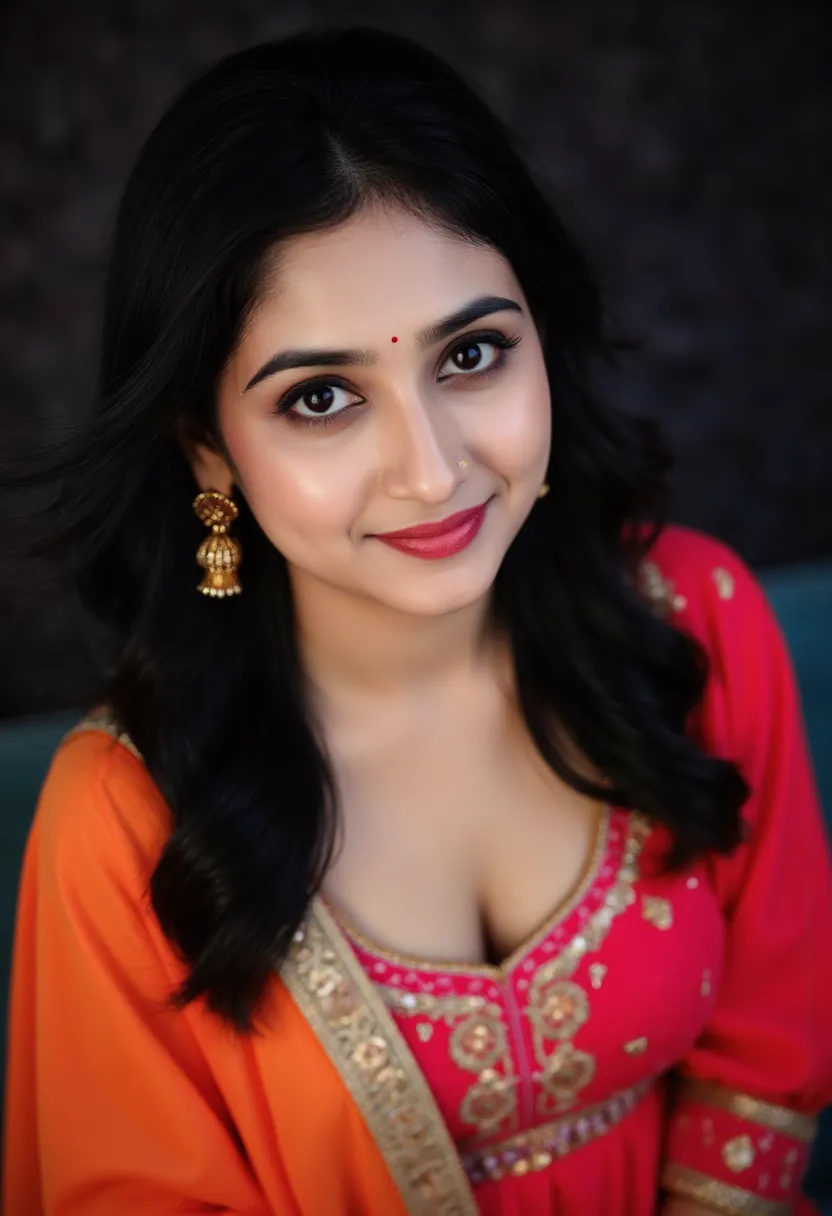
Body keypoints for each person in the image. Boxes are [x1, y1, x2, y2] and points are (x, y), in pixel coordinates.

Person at [3, 25, 831, 1216]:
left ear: (544, 337)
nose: (433, 470)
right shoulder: (124, 824)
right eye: (323, 398)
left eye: (474, 353)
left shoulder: (690, 625)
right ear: (207, 448)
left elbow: (771, 1049)